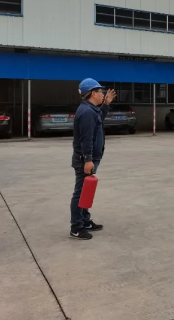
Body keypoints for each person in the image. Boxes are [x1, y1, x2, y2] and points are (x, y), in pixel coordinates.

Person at [70, 78, 116, 240]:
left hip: (89, 157)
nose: (102, 94)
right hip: (84, 159)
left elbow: (99, 120)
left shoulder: (91, 109)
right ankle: (76, 227)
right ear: (92, 93)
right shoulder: (87, 112)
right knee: (80, 192)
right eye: (100, 91)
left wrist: (106, 104)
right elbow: (86, 139)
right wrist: (88, 159)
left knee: (86, 190)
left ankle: (85, 220)